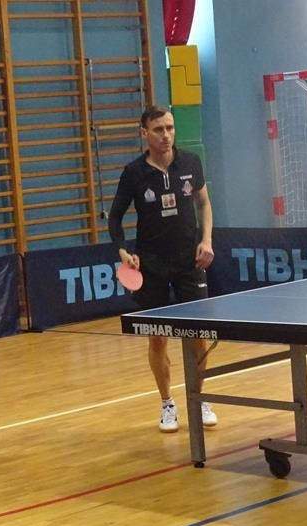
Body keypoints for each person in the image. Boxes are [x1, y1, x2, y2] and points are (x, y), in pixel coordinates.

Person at [108, 105, 216, 433]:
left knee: (198, 336)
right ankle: (167, 402)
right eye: (158, 129)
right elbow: (115, 218)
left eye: (169, 127)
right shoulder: (134, 172)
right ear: (144, 133)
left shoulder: (190, 162)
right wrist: (123, 251)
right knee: (158, 339)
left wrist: (206, 240)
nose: (166, 135)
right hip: (151, 264)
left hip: (189, 261)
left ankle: (199, 398)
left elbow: (204, 203)